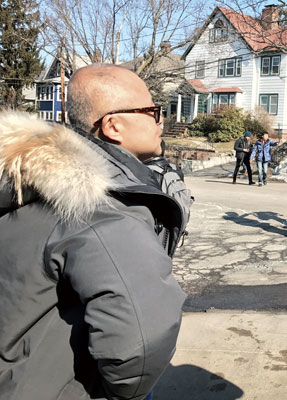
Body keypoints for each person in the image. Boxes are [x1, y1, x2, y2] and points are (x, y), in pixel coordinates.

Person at [0, 64, 186, 399]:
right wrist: (121, 394)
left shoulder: (24, 181)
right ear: (113, 125)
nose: (161, 121)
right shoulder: (102, 207)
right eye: (152, 111)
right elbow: (142, 345)